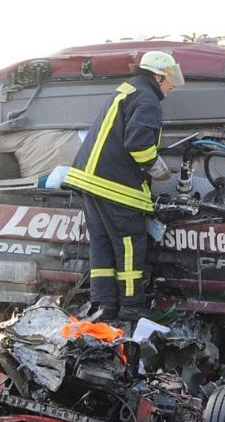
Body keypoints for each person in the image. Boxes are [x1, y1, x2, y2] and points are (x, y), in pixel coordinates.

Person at [63, 50, 184, 321]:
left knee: (102, 245)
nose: (171, 87)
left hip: (92, 183)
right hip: (115, 186)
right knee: (130, 245)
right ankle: (131, 309)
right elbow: (139, 143)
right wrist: (156, 167)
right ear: (157, 76)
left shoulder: (128, 90)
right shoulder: (148, 99)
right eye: (169, 80)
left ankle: (105, 305)